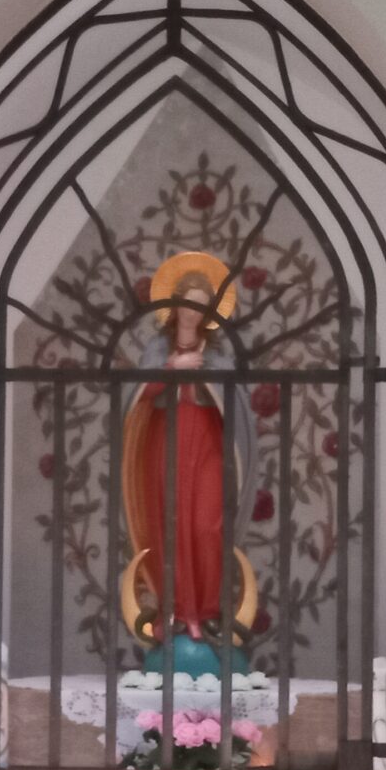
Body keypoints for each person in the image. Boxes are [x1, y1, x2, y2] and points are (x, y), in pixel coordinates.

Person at [120, 250, 255, 661]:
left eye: (202, 305)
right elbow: (137, 397)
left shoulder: (218, 353)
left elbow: (236, 405)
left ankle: (209, 611)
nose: (193, 312)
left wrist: (206, 376)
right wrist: (172, 369)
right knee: (170, 525)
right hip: (167, 441)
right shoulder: (156, 349)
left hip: (207, 442)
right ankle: (177, 612)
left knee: (206, 526)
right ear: (175, 305)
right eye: (188, 303)